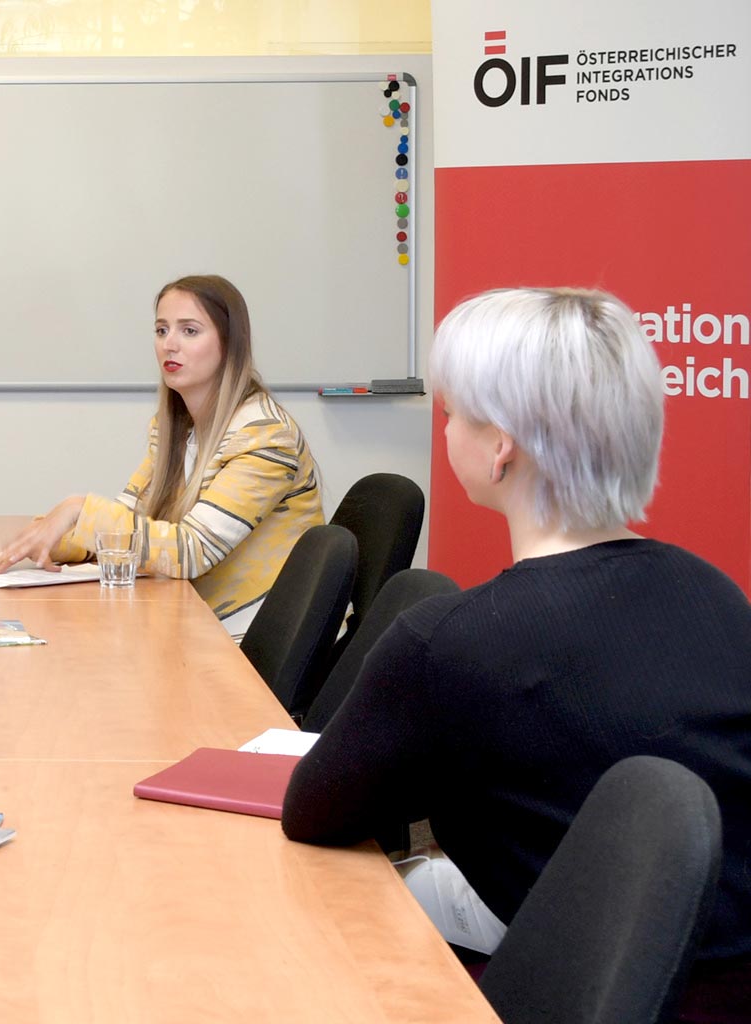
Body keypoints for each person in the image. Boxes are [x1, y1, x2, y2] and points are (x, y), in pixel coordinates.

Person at [282, 287, 751, 1018]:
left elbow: (311, 814)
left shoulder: (451, 641)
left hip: (588, 983)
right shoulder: (717, 593)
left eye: (451, 414)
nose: (445, 431)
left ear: (500, 445)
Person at [0, 274, 324, 638]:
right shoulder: (176, 428)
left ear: (229, 343)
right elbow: (130, 522)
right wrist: (48, 539)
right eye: (161, 330)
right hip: (196, 624)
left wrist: (79, 509)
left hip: (256, 640)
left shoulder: (265, 436)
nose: (169, 345)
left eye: (189, 331)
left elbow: (191, 550)